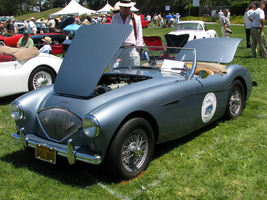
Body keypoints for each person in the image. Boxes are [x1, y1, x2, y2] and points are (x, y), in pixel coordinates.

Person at [111, 0, 143, 66]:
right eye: (125, 7)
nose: (127, 9)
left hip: (131, 50)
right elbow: (113, 34)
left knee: (133, 73)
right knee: (116, 73)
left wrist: (139, 50)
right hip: (118, 50)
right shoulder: (115, 18)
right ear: (120, 7)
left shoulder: (135, 18)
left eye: (129, 7)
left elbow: (139, 35)